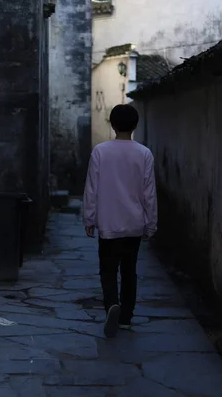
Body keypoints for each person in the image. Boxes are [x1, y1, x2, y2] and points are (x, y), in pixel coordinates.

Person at [82, 104, 158, 338]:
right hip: (134, 224)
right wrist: (151, 223)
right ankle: (126, 317)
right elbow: (149, 194)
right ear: (135, 125)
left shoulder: (101, 152)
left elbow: (91, 189)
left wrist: (89, 217)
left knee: (107, 269)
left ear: (112, 124)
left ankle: (111, 306)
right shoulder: (144, 153)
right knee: (129, 270)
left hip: (108, 224)